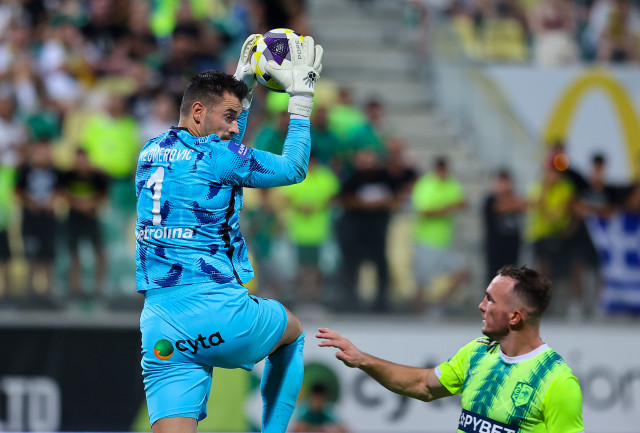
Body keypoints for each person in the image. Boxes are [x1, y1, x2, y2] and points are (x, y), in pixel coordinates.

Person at [135, 34, 323, 433]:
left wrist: (243, 84)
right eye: (230, 117)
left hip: (160, 323)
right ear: (198, 112)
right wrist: (301, 99)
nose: (235, 127)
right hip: (217, 311)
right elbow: (293, 168)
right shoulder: (219, 156)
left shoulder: (149, 150)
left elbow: (221, 147)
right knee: (291, 332)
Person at [317, 265, 584, 433]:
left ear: (514, 316)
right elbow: (422, 385)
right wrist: (362, 359)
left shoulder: (557, 382)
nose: (481, 306)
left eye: (490, 300)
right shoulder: (477, 353)